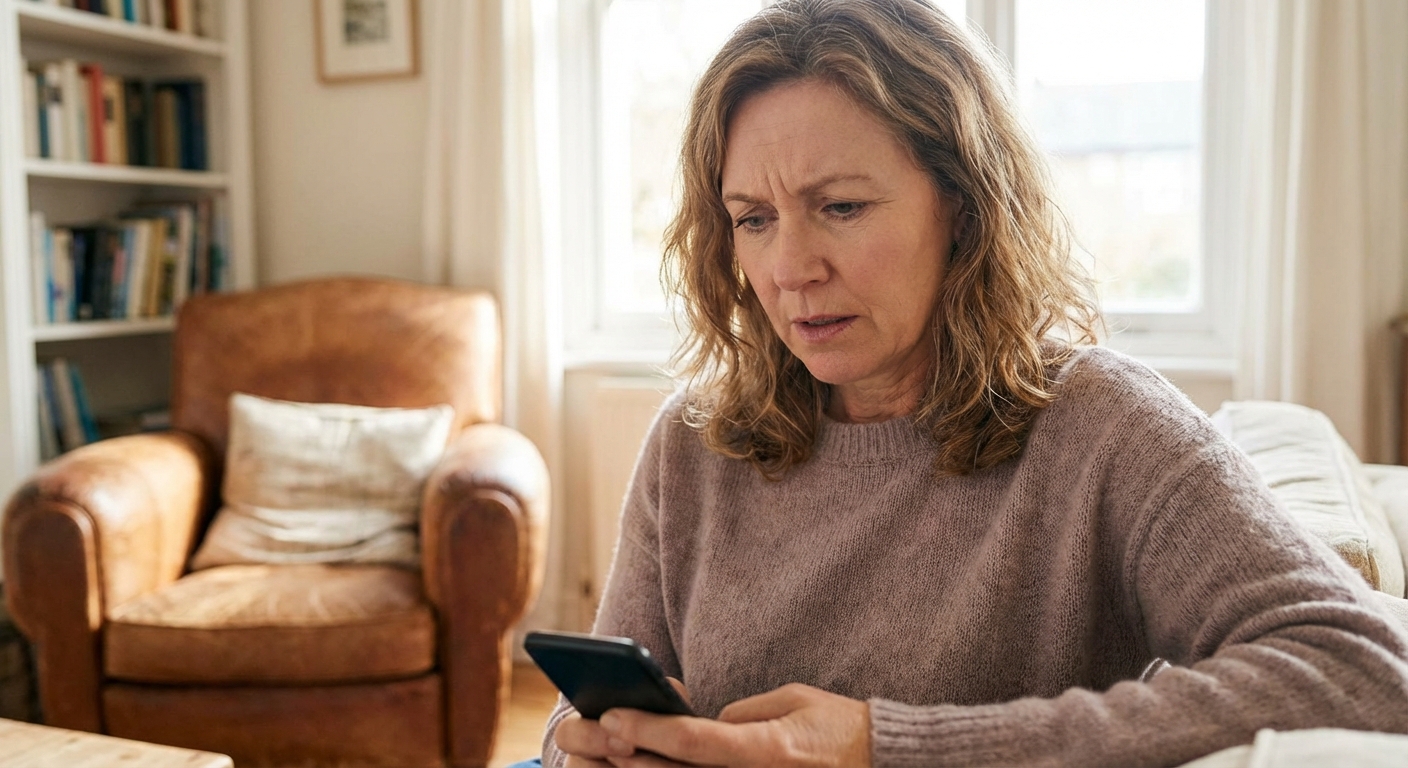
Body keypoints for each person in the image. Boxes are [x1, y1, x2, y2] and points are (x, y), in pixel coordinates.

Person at [534, 0, 1408, 765]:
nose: (791, 267)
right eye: (753, 220)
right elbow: (585, 707)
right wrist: (589, 751)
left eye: (840, 207)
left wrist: (891, 747)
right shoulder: (694, 439)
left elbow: (1364, 670)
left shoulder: (1102, 426)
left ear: (963, 206)